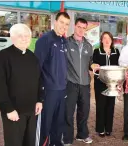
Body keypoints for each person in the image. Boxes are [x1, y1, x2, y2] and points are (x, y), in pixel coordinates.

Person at [0, 23, 43, 146]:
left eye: (27, 35)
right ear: (13, 37)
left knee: (29, 142)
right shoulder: (4, 56)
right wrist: (8, 109)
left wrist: (39, 100)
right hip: (14, 112)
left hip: (31, 111)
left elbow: (39, 80)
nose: (24, 38)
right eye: (20, 36)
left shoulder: (32, 57)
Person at [34, 12, 70, 146]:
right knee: (45, 125)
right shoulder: (45, 40)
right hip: (48, 91)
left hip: (61, 90)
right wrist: (39, 95)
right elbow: (37, 68)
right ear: (55, 22)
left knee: (58, 124)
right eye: (61, 22)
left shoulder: (64, 41)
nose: (64, 26)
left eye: (67, 24)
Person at [63, 18, 93, 145]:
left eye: (83, 28)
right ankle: (67, 138)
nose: (81, 30)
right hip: (70, 83)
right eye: (79, 27)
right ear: (74, 27)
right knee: (68, 112)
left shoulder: (88, 45)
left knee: (84, 111)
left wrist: (94, 66)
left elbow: (90, 63)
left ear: (86, 29)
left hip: (85, 84)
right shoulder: (66, 43)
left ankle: (82, 134)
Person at [91, 32, 120, 137]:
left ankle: (108, 128)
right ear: (101, 40)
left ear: (112, 40)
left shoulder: (116, 51)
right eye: (104, 38)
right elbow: (92, 65)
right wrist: (94, 66)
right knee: (100, 106)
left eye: (109, 38)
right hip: (100, 83)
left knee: (110, 105)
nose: (107, 41)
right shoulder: (97, 51)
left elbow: (119, 66)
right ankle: (100, 129)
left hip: (112, 83)